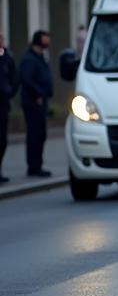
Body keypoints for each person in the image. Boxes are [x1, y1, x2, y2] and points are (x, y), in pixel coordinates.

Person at [20, 29, 53, 178]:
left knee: (40, 134)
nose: (48, 41)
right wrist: (38, 93)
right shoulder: (29, 59)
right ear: (38, 40)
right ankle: (33, 167)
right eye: (46, 38)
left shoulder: (40, 58)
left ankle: (37, 165)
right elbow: (27, 79)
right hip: (33, 102)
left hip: (41, 101)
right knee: (34, 134)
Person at [0, 31, 19, 183]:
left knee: (2, 140)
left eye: (2, 38)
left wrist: (10, 92)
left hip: (3, 104)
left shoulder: (6, 58)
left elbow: (15, 76)